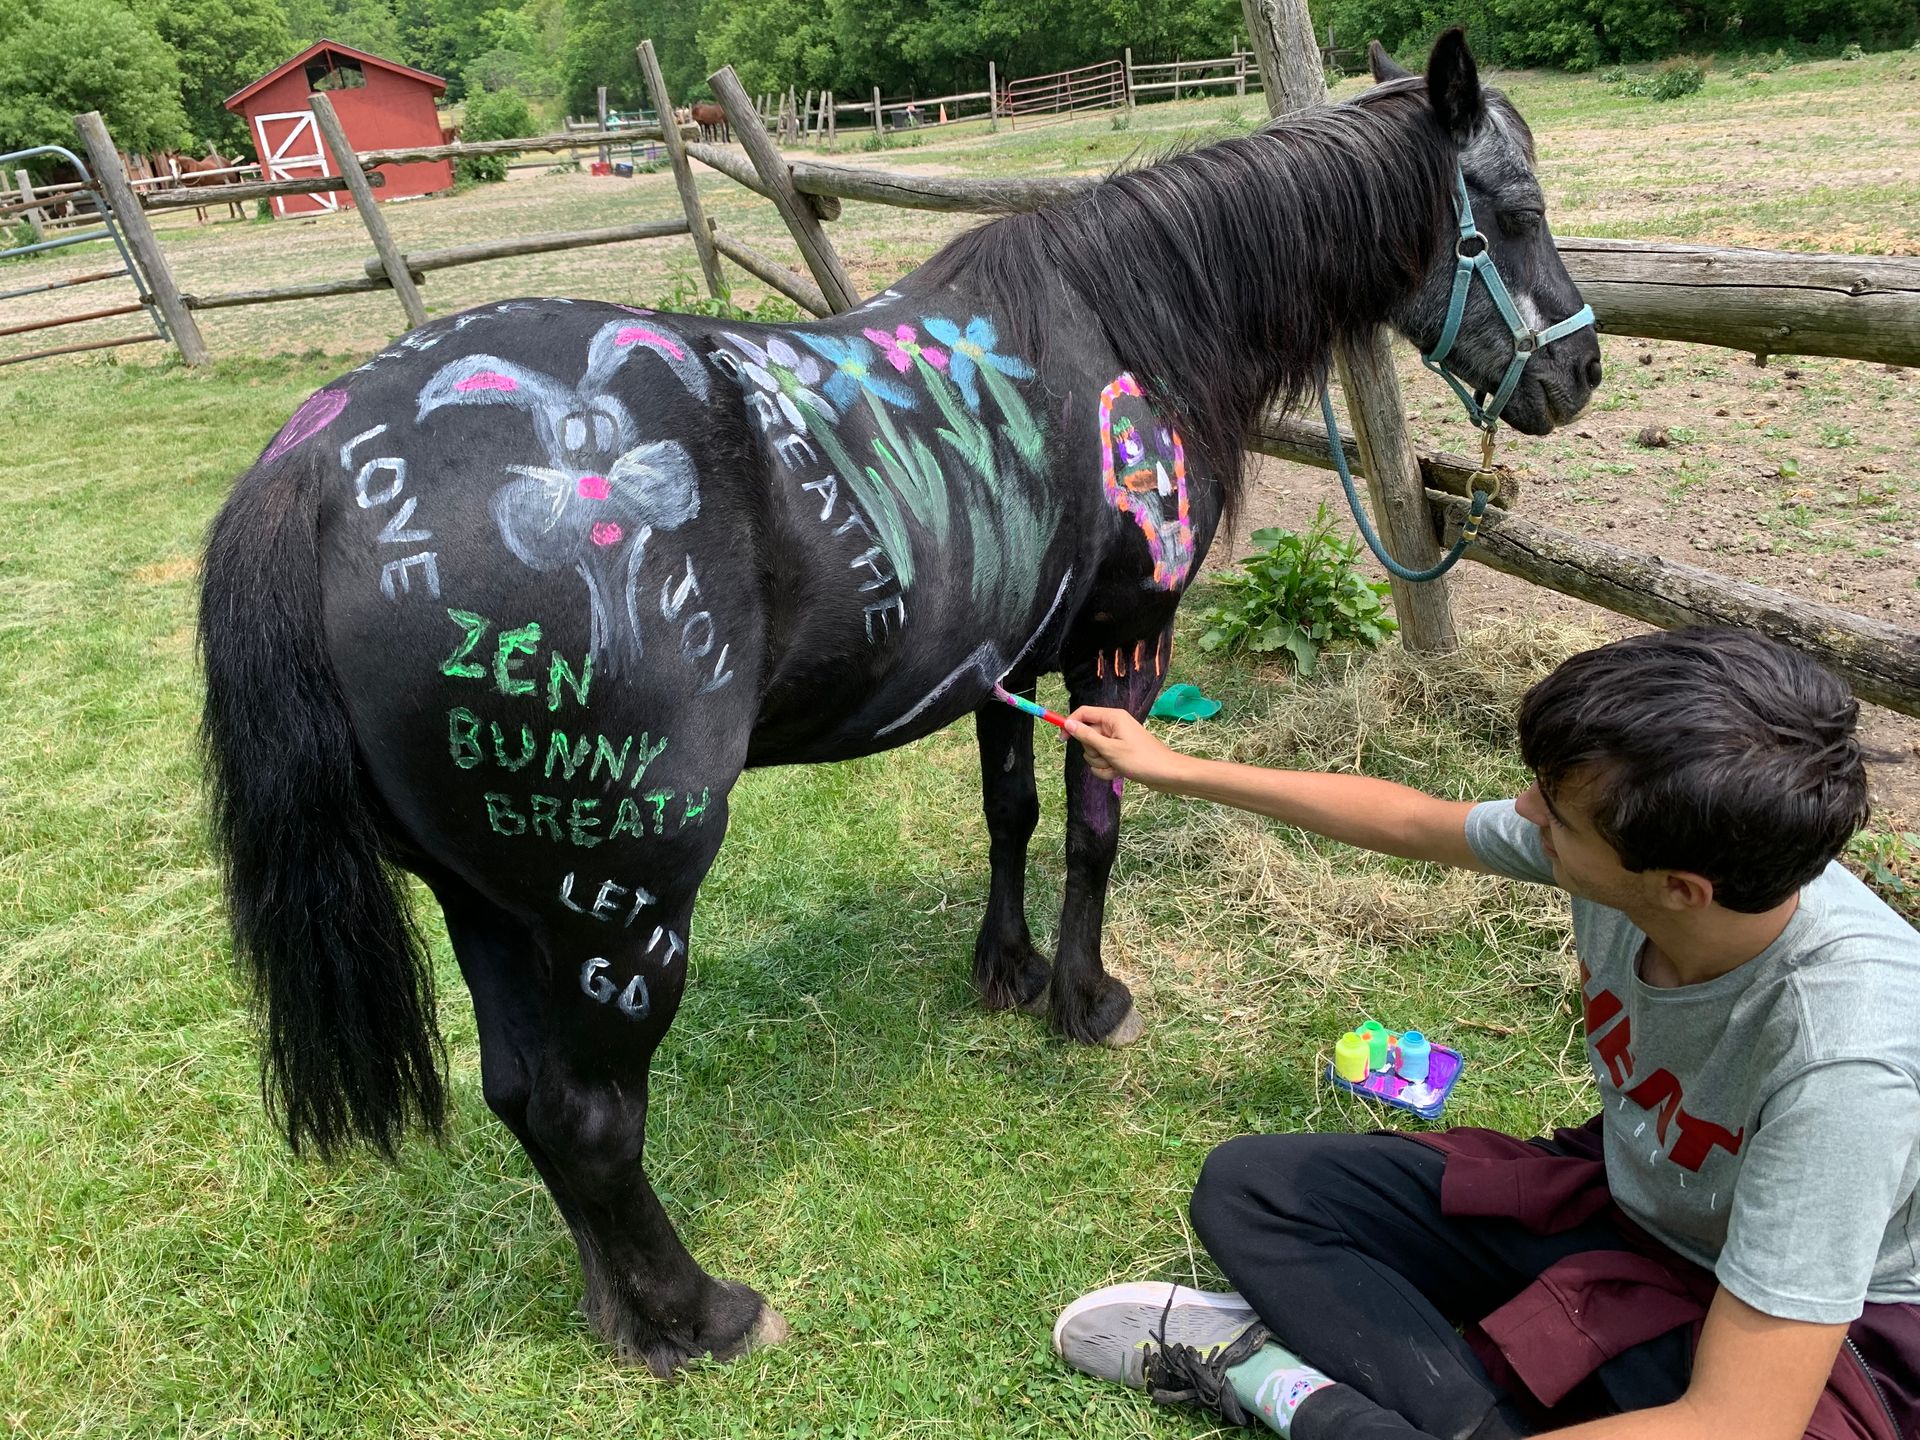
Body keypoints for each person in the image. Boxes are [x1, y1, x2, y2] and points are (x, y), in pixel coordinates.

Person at [1050, 627, 1920, 1440]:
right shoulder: (1651, 852)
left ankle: (1299, 1397)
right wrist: (1176, 767)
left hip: (1808, 1328)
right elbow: (1414, 821)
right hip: (1636, 1201)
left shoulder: (1847, 1064)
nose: (1525, 809)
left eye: (1556, 814)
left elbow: (1737, 1422)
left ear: (1681, 889)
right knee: (1256, 1188)